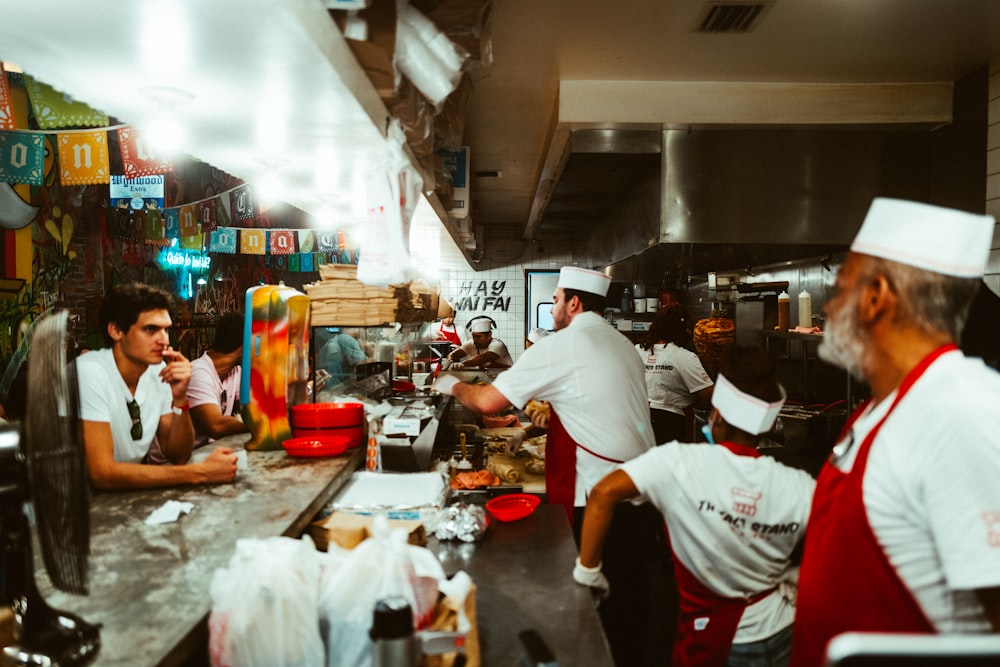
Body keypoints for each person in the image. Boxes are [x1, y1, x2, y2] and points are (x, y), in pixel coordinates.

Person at [790, 198, 1000, 667]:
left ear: (875, 296)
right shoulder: (881, 409)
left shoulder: (962, 410)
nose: (829, 306)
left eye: (841, 288)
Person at [434, 266, 662, 666]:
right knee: (629, 603)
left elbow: (486, 402)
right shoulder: (620, 342)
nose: (553, 307)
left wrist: (448, 383)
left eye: (556, 299)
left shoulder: (565, 343)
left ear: (573, 303)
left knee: (592, 605)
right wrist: (533, 433)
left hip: (598, 499)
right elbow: (597, 409)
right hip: (640, 493)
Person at [576, 347, 816, 667]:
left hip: (717, 636)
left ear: (716, 417)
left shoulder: (677, 464)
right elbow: (846, 538)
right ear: (766, 429)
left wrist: (588, 573)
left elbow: (603, 493)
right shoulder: (798, 485)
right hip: (786, 631)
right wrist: (801, 574)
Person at [75, 282, 238, 490]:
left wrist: (180, 398)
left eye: (165, 330)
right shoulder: (89, 371)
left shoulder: (157, 371)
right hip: (74, 506)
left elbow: (178, 454)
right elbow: (102, 473)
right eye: (151, 329)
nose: (164, 340)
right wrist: (201, 472)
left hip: (122, 498)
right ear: (116, 330)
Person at [637, 303, 714, 443]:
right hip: (671, 421)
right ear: (682, 329)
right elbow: (708, 394)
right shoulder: (683, 356)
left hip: (639, 417)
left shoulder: (636, 350)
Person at [188, 312, 248, 449]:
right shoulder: (198, 373)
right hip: (178, 460)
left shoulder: (235, 371)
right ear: (244, 346)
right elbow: (216, 426)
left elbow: (251, 407)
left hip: (208, 450)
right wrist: (264, 424)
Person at [443, 316, 513, 369]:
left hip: (505, 378)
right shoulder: (472, 343)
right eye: (473, 336)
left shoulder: (498, 345)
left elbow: (483, 358)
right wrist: (450, 359)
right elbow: (457, 353)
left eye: (479, 337)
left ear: (489, 335)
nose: (475, 340)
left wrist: (463, 364)